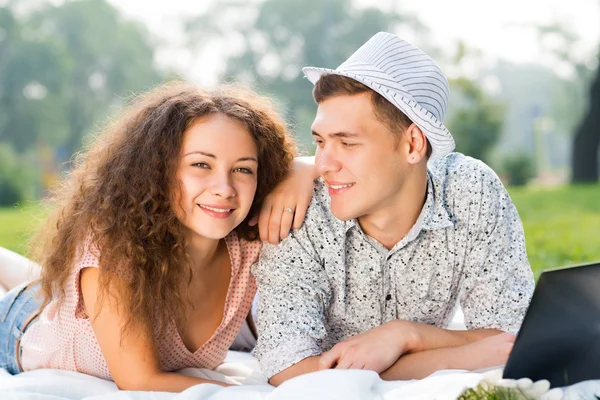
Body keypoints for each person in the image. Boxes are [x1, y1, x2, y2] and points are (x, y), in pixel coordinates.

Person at [253, 32, 536, 385]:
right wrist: (458, 355)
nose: (324, 164)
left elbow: (509, 338)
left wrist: (405, 335)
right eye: (320, 142)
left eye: (347, 142)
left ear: (414, 144)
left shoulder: (471, 192)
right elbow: (289, 370)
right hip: (244, 323)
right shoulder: (299, 207)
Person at [0, 81, 302, 391]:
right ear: (157, 171)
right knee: (28, 290)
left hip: (62, 302)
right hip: (19, 327)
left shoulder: (252, 244)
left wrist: (304, 169)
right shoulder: (115, 249)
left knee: (39, 283)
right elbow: (141, 381)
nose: (224, 188)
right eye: (201, 164)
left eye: (243, 169)